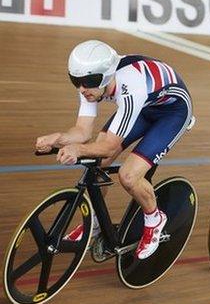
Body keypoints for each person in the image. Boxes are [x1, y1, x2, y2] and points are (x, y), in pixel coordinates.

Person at [35, 40, 194, 259]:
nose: (82, 89)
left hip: (171, 113)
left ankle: (155, 218)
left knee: (128, 176)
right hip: (145, 107)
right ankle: (96, 223)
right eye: (76, 81)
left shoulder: (131, 86)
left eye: (88, 82)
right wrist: (59, 138)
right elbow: (82, 131)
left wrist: (78, 150)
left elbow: (108, 147)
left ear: (107, 76)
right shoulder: (91, 85)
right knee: (98, 164)